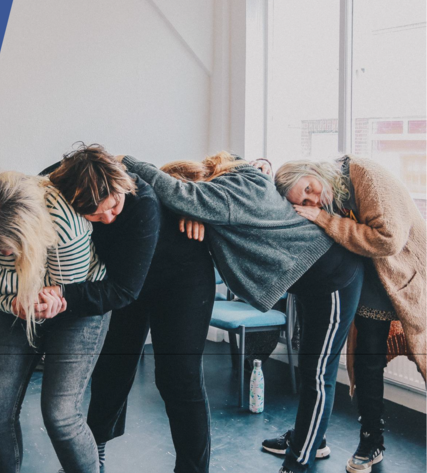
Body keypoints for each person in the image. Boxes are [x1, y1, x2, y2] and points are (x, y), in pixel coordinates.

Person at [0, 143, 215, 473]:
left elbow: (122, 290)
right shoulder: (54, 186)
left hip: (177, 278)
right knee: (111, 372)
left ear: (120, 186)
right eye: (95, 213)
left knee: (179, 378)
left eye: (113, 205)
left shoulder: (140, 203)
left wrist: (56, 296)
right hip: (110, 280)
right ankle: (97, 451)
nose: (108, 217)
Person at [125, 152, 364, 473]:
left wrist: (129, 162)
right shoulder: (242, 181)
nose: (310, 198)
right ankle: (311, 440)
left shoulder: (236, 189)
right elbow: (200, 193)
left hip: (335, 276)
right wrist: (196, 212)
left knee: (318, 373)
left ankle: (299, 462)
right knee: (312, 368)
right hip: (310, 277)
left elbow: (180, 194)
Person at [266, 156, 426, 473]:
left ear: (313, 169)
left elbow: (388, 240)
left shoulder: (366, 177)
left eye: (310, 190)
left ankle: (371, 445)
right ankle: (313, 438)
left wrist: (323, 220)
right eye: (305, 201)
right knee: (349, 361)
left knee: (368, 360)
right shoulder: (328, 185)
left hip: (400, 274)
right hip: (368, 272)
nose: (314, 202)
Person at [0, 170, 110, 473]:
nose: (4, 253)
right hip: (12, 306)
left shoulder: (65, 224)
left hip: (75, 308)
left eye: (11, 248)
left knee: (60, 415)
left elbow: (61, 296)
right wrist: (10, 299)